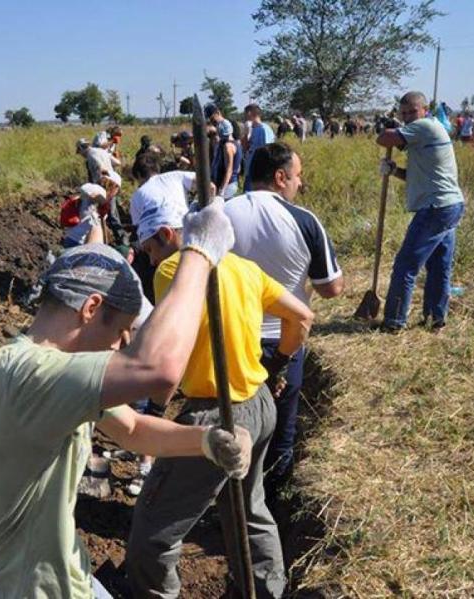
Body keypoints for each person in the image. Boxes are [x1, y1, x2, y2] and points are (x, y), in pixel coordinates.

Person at [0, 206, 251, 599]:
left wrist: (206, 441)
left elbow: (133, 430)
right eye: (120, 331)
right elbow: (156, 368)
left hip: (68, 577)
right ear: (91, 308)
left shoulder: (46, 375)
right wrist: (198, 253)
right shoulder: (29, 374)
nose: (119, 345)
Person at [126, 189, 314, 599]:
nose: (150, 259)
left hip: (217, 417)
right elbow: (302, 316)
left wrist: (153, 409)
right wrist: (276, 365)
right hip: (260, 406)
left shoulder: (172, 270)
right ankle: (268, 593)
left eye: (149, 249)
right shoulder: (244, 268)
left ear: (167, 234)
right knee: (249, 510)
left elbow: (171, 351)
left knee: (154, 530)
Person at [225, 142, 343, 500]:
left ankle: (227, 500)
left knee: (227, 424)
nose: (299, 184)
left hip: (230, 339)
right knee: (281, 433)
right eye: (297, 176)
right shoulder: (305, 221)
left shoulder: (220, 214)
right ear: (280, 177)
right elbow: (331, 289)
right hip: (284, 342)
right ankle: (269, 506)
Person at [376, 91, 465, 332]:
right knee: (438, 267)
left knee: (405, 266)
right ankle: (435, 319)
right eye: (403, 113)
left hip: (436, 208)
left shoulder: (425, 126)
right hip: (449, 205)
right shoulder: (423, 133)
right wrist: (394, 170)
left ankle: (394, 322)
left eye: (411, 112)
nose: (407, 118)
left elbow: (383, 139)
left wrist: (388, 127)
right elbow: (417, 177)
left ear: (424, 110)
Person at [129, 151, 198, 303]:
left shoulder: (138, 195)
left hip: (164, 236)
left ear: (140, 175)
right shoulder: (174, 176)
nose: (152, 260)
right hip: (181, 230)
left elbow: (139, 232)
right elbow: (208, 184)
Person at [212, 118, 244, 199]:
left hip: (227, 185)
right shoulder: (236, 143)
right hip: (231, 183)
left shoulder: (228, 146)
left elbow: (229, 170)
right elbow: (238, 168)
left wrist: (222, 190)